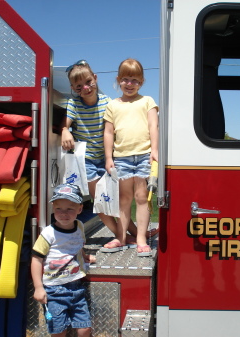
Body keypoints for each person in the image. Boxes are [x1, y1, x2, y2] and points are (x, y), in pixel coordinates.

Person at [61, 60, 156, 251]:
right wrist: (64, 130)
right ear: (73, 88)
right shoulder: (79, 104)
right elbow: (69, 124)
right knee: (102, 202)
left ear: (95, 79)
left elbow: (128, 124)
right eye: (79, 86)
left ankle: (137, 235)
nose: (85, 88)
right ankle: (122, 236)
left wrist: (152, 148)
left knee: (128, 198)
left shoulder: (108, 102)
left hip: (112, 158)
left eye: (88, 82)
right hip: (90, 160)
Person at [104, 58, 159, 257]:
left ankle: (142, 238)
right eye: (126, 79)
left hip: (144, 155)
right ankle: (121, 237)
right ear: (119, 80)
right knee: (124, 200)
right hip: (122, 158)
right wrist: (109, 157)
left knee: (141, 198)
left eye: (135, 80)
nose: (130, 84)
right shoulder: (112, 105)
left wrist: (155, 150)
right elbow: (109, 133)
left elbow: (154, 126)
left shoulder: (147, 101)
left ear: (142, 82)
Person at [31, 183, 95, 337]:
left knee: (85, 328)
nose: (63, 213)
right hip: (54, 290)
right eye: (59, 208)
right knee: (59, 331)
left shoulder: (79, 226)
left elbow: (78, 243)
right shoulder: (48, 234)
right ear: (53, 208)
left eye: (70, 209)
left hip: (77, 287)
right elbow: (36, 259)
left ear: (80, 209)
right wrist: (38, 287)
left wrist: (84, 256)